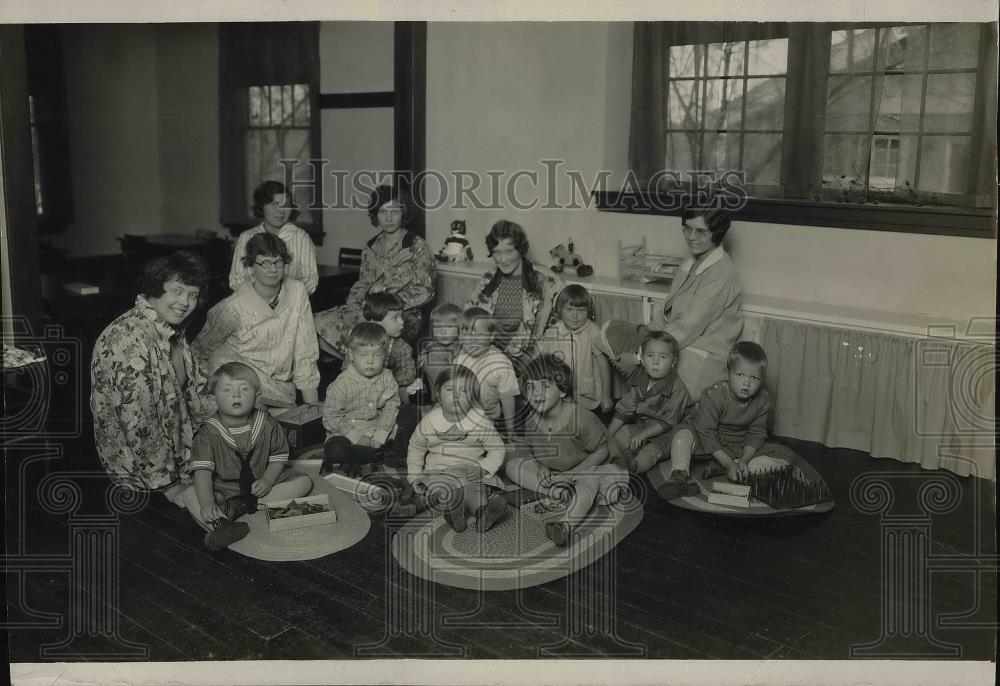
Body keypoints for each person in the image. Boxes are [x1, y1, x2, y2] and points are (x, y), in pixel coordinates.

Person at [90, 251, 216, 515]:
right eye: (177, 291)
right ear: (156, 288)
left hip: (179, 458)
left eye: (192, 294)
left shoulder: (172, 330)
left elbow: (196, 395)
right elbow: (139, 423)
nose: (185, 302)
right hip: (143, 477)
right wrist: (169, 486)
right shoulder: (126, 339)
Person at [600, 206, 743, 399]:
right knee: (611, 330)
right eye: (687, 228)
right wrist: (647, 332)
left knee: (644, 371)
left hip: (700, 352)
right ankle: (624, 398)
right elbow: (668, 312)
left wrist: (638, 357)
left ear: (717, 233)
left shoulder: (721, 273)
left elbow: (687, 328)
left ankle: (644, 401)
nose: (691, 237)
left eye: (700, 231)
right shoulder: (691, 263)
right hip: (675, 341)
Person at [504, 354, 628, 548]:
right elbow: (536, 448)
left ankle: (565, 525)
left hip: (594, 469)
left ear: (562, 391)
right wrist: (542, 465)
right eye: (530, 387)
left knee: (591, 482)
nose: (536, 393)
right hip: (560, 473)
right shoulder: (531, 419)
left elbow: (602, 451)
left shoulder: (580, 417)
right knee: (512, 466)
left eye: (545, 386)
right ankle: (563, 494)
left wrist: (572, 474)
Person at [189, 362, 313, 550]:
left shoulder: (267, 424)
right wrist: (207, 503)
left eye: (244, 389)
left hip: (260, 485)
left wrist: (268, 480)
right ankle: (222, 525)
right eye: (227, 390)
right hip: (225, 488)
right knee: (191, 494)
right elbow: (203, 473)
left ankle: (252, 504)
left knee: (304, 482)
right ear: (213, 398)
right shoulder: (208, 433)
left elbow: (278, 456)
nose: (236, 395)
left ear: (256, 396)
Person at [193, 232, 320, 407]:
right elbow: (198, 351)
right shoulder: (233, 306)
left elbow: (305, 351)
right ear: (252, 265)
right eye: (265, 263)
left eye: (278, 262)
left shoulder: (297, 291)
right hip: (237, 384)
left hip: (279, 389)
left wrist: (312, 409)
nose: (273, 269)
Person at [661, 341, 797, 498]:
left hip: (737, 446)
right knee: (681, 436)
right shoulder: (713, 395)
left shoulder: (763, 397)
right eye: (740, 375)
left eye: (754, 378)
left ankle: (723, 467)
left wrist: (744, 461)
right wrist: (729, 463)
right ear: (727, 374)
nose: (746, 383)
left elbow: (757, 433)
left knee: (786, 457)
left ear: (762, 379)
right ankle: (679, 476)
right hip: (706, 443)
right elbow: (706, 432)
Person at [315, 185, 436, 350]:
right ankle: (353, 369)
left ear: (404, 213)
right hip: (370, 310)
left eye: (394, 212)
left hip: (401, 315)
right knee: (317, 322)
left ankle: (362, 366)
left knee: (361, 332)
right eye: (382, 212)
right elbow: (363, 282)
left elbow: (425, 290)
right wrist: (355, 303)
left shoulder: (417, 246)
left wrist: (388, 304)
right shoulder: (370, 247)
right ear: (375, 215)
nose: (388, 218)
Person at [406, 365, 508, 533]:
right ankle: (454, 511)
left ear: (473, 397)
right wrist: (415, 476)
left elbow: (497, 448)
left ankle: (483, 512)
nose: (455, 395)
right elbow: (416, 448)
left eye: (463, 391)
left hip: (470, 472)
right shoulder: (430, 422)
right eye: (449, 389)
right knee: (441, 490)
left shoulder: (480, 422)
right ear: (438, 394)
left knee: (476, 490)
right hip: (439, 472)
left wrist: (484, 468)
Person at [320, 323, 418, 476]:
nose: (370, 361)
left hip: (379, 429)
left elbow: (391, 407)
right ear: (351, 355)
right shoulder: (341, 384)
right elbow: (330, 418)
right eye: (363, 355)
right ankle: (377, 454)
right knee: (336, 450)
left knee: (411, 412)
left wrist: (380, 435)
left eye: (377, 355)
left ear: (385, 356)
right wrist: (358, 438)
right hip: (350, 435)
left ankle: (386, 449)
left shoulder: (387, 377)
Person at [465, 220, 563, 358]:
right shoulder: (488, 278)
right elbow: (469, 315)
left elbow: (557, 327)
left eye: (509, 251)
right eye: (497, 252)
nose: (503, 259)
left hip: (530, 355)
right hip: (489, 351)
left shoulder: (545, 279)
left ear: (520, 249)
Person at [605, 330, 695, 475]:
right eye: (650, 355)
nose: (655, 362)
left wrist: (643, 435)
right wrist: (607, 435)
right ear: (642, 358)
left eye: (663, 357)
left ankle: (634, 466)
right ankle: (621, 457)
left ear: (673, 362)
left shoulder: (678, 389)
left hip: (668, 432)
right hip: (644, 424)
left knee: (650, 452)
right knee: (617, 435)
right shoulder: (641, 378)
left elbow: (668, 422)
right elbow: (624, 409)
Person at [229, 180, 319, 295]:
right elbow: (236, 280)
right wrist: (261, 298)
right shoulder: (246, 237)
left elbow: (311, 280)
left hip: (291, 306)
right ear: (261, 206)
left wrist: (284, 298)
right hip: (252, 305)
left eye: (285, 205)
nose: (281, 210)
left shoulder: (301, 237)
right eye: (274, 204)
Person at [536, 284, 614, 414]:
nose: (575, 316)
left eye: (581, 310)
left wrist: (606, 396)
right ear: (560, 310)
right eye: (569, 309)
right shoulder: (553, 331)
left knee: (583, 423)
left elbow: (603, 365)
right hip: (560, 392)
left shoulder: (593, 332)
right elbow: (542, 360)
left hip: (585, 393)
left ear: (589, 311)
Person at [453, 307, 519, 438]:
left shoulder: (500, 362)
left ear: (491, 335)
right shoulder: (459, 359)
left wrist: (511, 431)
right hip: (461, 414)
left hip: (488, 418)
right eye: (466, 334)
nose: (471, 340)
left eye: (478, 334)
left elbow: (507, 398)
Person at [360, 292, 417, 394]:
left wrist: (385, 380)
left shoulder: (401, 346)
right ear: (375, 322)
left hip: (388, 388)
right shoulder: (359, 342)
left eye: (401, 316)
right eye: (395, 318)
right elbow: (347, 368)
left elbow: (409, 373)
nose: (402, 322)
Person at [417, 302, 462, 400]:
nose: (443, 332)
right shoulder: (432, 354)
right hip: (444, 399)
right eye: (438, 327)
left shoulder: (459, 343)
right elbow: (444, 382)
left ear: (459, 328)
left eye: (449, 327)